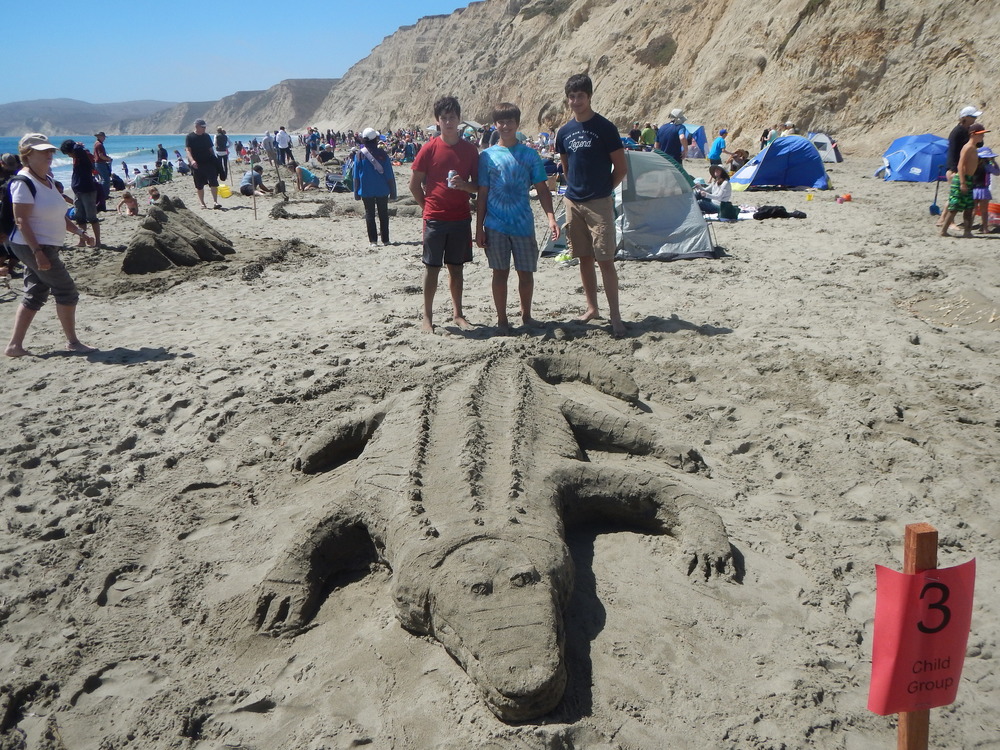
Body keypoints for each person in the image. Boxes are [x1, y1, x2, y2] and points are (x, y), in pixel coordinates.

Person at [4, 134, 95, 358]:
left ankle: (15, 346)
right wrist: (38, 253)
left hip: (45, 245)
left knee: (35, 293)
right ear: (28, 154)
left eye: (51, 151)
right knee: (67, 291)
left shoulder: (48, 180)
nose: (49, 154)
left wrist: (79, 231)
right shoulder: (23, 182)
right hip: (32, 246)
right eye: (43, 151)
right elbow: (21, 221)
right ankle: (73, 342)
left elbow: (58, 214)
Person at [476, 102, 559, 333]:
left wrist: (551, 218)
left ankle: (527, 315)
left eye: (509, 121)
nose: (505, 126)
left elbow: (543, 190)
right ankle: (502, 320)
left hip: (523, 224)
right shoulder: (487, 157)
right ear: (495, 125)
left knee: (526, 272)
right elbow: (482, 193)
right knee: (499, 273)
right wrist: (478, 228)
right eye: (501, 122)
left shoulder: (530, 155)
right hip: (495, 225)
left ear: (517, 124)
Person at [555, 73, 628, 337]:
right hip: (573, 201)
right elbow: (566, 167)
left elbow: (621, 168)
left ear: (589, 97)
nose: (576, 101)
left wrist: (604, 190)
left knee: (605, 259)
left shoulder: (605, 128)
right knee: (583, 257)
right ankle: (591, 308)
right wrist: (574, 191)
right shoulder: (564, 132)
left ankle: (616, 317)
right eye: (572, 97)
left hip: (599, 202)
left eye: (580, 96)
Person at [409, 95, 479, 332]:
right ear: (437, 121)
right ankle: (427, 317)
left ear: (459, 120)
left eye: (452, 118)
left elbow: (478, 186)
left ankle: (458, 313)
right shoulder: (429, 148)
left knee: (456, 268)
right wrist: (426, 207)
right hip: (435, 219)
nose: (448, 122)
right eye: (444, 118)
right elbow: (414, 184)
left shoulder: (470, 150)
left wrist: (465, 186)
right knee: (431, 267)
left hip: (460, 217)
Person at [940, 123, 988, 238]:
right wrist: (962, 182)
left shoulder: (974, 148)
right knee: (954, 206)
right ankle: (943, 230)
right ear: (972, 134)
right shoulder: (968, 147)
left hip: (969, 179)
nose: (982, 137)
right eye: (980, 134)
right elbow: (960, 165)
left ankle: (967, 231)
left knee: (969, 206)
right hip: (962, 179)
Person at [353, 128, 397, 247]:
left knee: (369, 214)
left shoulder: (359, 154)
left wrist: (356, 192)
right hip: (382, 189)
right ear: (376, 139)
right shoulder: (382, 154)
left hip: (366, 190)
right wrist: (393, 192)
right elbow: (389, 174)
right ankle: (386, 240)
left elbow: (356, 175)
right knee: (383, 214)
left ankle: (373, 241)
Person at [59, 139, 103, 248]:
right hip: (78, 191)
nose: (69, 156)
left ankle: (98, 241)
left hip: (87, 190)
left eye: (69, 153)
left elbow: (78, 149)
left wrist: (76, 145)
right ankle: (82, 241)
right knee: (80, 217)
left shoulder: (83, 156)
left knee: (92, 217)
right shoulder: (77, 158)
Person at [185, 118, 222, 209]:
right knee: (199, 185)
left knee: (213, 182)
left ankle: (215, 202)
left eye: (205, 127)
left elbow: (211, 149)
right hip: (197, 164)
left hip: (209, 162)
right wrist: (192, 161)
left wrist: (214, 160)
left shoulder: (206, 136)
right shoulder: (190, 137)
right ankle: (202, 203)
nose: (204, 128)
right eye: (203, 127)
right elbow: (188, 151)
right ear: (197, 126)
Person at [946, 106, 982, 181]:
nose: (975, 118)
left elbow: (979, 144)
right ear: (965, 117)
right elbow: (952, 151)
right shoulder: (957, 132)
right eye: (973, 116)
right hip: (956, 170)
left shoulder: (970, 130)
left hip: (967, 169)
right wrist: (953, 170)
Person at [972, 145, 998, 234]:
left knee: (973, 209)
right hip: (983, 189)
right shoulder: (987, 166)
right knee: (984, 211)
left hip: (973, 189)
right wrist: (994, 162)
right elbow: (997, 172)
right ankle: (985, 228)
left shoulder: (974, 164)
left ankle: (968, 227)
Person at [92, 132, 113, 206]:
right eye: (103, 137)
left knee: (103, 179)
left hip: (98, 163)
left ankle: (103, 194)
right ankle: (104, 195)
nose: (104, 139)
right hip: (100, 163)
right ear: (100, 137)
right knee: (106, 179)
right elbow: (101, 155)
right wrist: (108, 159)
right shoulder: (99, 145)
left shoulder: (96, 143)